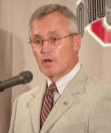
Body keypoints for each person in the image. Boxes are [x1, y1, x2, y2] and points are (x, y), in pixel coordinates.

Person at [8, 3, 111, 133]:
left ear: (76, 42)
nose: (44, 49)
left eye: (54, 39)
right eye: (37, 41)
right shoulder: (21, 103)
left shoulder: (103, 97)